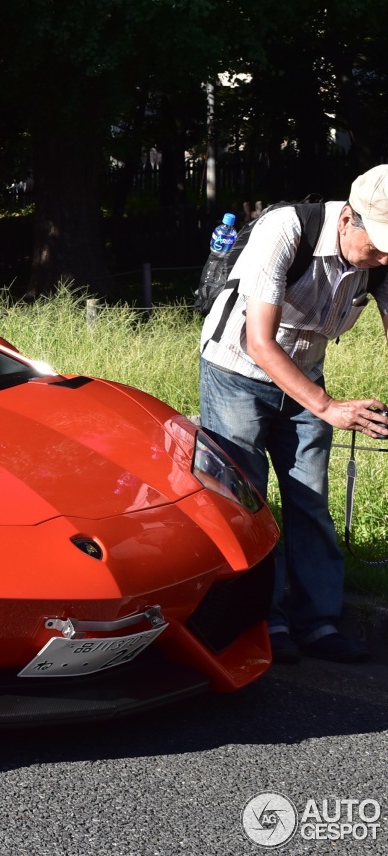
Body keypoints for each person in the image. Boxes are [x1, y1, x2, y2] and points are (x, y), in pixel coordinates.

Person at [198, 165, 388, 664]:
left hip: (304, 372)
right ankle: (264, 617)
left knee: (309, 499)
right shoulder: (284, 230)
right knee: (248, 501)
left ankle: (319, 621)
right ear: (348, 217)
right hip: (237, 371)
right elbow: (259, 343)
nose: (386, 257)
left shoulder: (383, 256)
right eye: (379, 245)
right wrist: (327, 407)